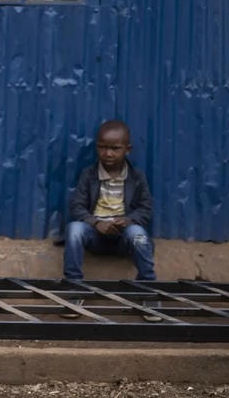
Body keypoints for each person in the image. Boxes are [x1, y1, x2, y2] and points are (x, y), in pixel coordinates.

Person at [62, 120, 158, 318]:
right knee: (73, 229)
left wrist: (128, 220)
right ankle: (74, 288)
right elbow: (77, 207)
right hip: (95, 234)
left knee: (139, 235)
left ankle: (148, 289)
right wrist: (96, 223)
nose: (108, 154)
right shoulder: (88, 175)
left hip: (124, 235)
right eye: (103, 148)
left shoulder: (137, 177)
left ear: (127, 149)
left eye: (115, 148)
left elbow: (146, 209)